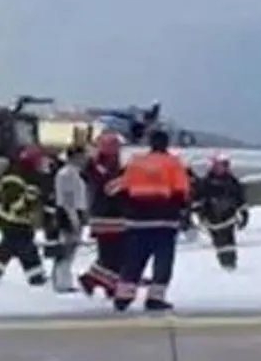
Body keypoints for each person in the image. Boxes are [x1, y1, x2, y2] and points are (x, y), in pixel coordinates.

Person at [114, 128, 193, 312]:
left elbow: (123, 189)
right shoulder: (173, 163)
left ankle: (123, 297)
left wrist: (129, 210)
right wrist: (182, 213)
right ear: (166, 144)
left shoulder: (136, 162)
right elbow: (182, 191)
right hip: (164, 221)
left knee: (133, 260)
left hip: (137, 221)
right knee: (162, 262)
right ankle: (155, 298)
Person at [79, 132, 128, 298]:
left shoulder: (104, 164)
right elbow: (109, 187)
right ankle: (90, 279)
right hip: (107, 216)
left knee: (115, 255)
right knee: (111, 256)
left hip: (112, 216)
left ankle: (109, 284)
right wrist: (127, 179)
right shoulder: (98, 166)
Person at [0, 145, 49, 287]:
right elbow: (11, 203)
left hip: (20, 221)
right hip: (12, 220)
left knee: (9, 247)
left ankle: (36, 276)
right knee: (25, 247)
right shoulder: (14, 177)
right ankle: (36, 277)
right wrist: (29, 198)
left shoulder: (30, 175)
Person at [195, 154, 248, 271]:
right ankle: (223, 263)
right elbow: (198, 200)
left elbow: (240, 199)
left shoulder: (232, 181)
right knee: (219, 243)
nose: (223, 167)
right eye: (221, 164)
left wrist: (244, 214)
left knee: (229, 242)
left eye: (225, 165)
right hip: (212, 220)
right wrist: (200, 215)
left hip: (229, 219)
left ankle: (231, 263)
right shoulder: (205, 182)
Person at [49, 146, 90, 293]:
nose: (85, 160)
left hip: (75, 211)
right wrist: (74, 219)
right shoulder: (66, 174)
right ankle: (61, 282)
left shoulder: (76, 173)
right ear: (75, 157)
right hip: (68, 212)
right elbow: (67, 199)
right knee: (67, 249)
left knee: (71, 249)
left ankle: (64, 280)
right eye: (83, 156)